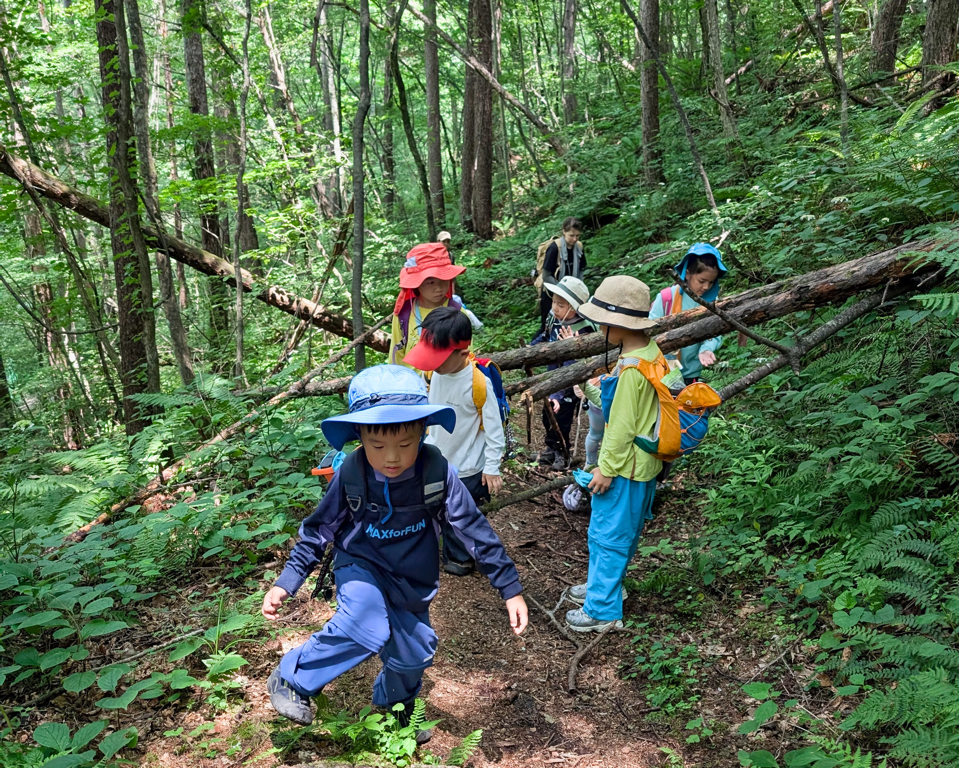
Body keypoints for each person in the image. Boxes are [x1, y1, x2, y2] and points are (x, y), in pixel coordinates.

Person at [262, 365, 528, 733]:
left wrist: (509, 587)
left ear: (422, 432)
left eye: (405, 444)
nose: (391, 457)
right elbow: (320, 528)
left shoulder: (436, 471)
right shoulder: (352, 473)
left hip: (411, 576)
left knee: (413, 654)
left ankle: (394, 707)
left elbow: (472, 528)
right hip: (361, 564)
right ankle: (293, 678)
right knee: (364, 624)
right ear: (359, 437)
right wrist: (287, 581)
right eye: (377, 446)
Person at [563, 276, 662, 633]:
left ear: (618, 324)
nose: (601, 327)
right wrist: (594, 389)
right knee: (619, 536)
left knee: (608, 537)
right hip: (644, 466)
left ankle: (602, 611)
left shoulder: (631, 370)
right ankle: (601, 588)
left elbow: (620, 426)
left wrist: (604, 469)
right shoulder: (650, 353)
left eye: (604, 321)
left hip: (624, 470)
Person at [403, 307, 505, 576]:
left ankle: (461, 557)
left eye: (437, 358)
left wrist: (492, 467)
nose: (432, 364)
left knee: (459, 514)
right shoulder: (437, 373)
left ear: (461, 352)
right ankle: (435, 548)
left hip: (468, 466)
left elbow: (495, 429)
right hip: (437, 457)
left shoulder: (478, 383)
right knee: (435, 505)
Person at [530, 276, 594, 471]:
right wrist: (531, 350)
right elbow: (544, 336)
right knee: (547, 413)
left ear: (574, 309)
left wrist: (572, 346)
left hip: (570, 384)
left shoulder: (582, 330)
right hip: (552, 377)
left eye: (561, 304)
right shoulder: (554, 320)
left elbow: (582, 361)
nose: (555, 308)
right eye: (554, 302)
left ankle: (562, 452)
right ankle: (550, 448)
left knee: (562, 417)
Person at [649, 243, 728, 385]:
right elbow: (649, 334)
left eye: (711, 282)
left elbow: (715, 332)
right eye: (702, 281)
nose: (706, 287)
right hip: (663, 375)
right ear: (687, 273)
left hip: (693, 375)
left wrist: (706, 349)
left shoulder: (711, 302)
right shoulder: (666, 298)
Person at [391, 243, 466, 369]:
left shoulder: (458, 312)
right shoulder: (404, 314)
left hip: (448, 385)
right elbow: (396, 357)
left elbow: (467, 356)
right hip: (413, 386)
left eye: (444, 279)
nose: (438, 288)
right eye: (430, 282)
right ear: (417, 283)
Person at [535, 218, 586, 334]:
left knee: (570, 322)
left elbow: (581, 269)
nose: (574, 239)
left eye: (577, 236)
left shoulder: (579, 247)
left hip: (571, 294)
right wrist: (562, 291)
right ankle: (534, 347)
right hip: (551, 293)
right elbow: (546, 276)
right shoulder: (553, 248)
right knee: (547, 326)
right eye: (571, 235)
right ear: (564, 232)